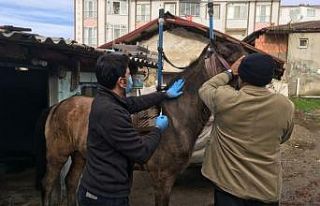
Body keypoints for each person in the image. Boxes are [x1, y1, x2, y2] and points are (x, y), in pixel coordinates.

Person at [77, 53, 184, 206]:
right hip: (104, 197)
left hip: (101, 191)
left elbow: (134, 103)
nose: (132, 77)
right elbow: (141, 153)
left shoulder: (106, 99)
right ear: (121, 82)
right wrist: (158, 129)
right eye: (129, 74)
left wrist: (164, 94)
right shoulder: (111, 112)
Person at [199, 53, 294, 206]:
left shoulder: (225, 99)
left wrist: (230, 72)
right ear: (269, 79)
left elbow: (206, 87)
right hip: (265, 190)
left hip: (228, 187)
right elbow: (284, 138)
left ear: (241, 77)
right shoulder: (285, 106)